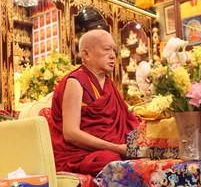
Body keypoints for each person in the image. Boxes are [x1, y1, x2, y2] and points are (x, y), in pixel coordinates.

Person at [50, 29, 139, 176]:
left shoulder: (108, 84)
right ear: (86, 54)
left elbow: (127, 119)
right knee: (111, 162)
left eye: (114, 51)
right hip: (78, 154)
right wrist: (117, 148)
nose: (113, 56)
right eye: (106, 50)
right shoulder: (75, 82)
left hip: (110, 148)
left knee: (148, 152)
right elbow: (70, 133)